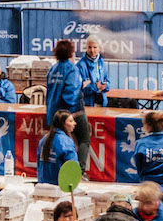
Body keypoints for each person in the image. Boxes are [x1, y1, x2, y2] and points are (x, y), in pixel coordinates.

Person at [46, 39, 90, 172]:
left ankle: (59, 170)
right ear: (71, 53)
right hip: (72, 112)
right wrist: (69, 115)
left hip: (54, 113)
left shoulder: (52, 70)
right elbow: (70, 94)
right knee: (84, 140)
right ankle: (79, 171)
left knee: (58, 142)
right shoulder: (72, 70)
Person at [36, 110, 77, 186]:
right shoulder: (67, 142)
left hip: (41, 185)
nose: (75, 123)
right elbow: (73, 167)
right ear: (63, 124)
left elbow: (39, 165)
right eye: (71, 121)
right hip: (59, 187)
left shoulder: (43, 139)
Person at [78, 36, 109, 108]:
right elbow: (79, 88)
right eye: (89, 47)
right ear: (86, 48)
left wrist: (105, 86)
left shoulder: (101, 62)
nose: (92, 50)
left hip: (101, 101)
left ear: (99, 49)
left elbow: (107, 80)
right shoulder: (80, 65)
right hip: (87, 104)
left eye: (95, 47)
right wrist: (95, 87)